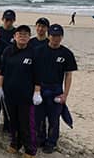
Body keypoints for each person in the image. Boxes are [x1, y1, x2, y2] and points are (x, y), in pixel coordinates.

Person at [33, 24, 77, 154]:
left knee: (54, 119)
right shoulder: (38, 51)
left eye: (58, 36)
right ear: (48, 35)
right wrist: (35, 90)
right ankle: (40, 139)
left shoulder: (66, 53)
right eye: (52, 35)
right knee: (39, 117)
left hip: (56, 89)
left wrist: (65, 94)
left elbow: (68, 75)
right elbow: (33, 71)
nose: (55, 38)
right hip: (40, 88)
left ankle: (51, 143)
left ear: (62, 37)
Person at [0, 25, 37, 156]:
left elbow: (38, 75)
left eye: (26, 34)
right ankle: (15, 143)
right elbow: (2, 71)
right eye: (20, 34)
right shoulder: (8, 51)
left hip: (26, 95)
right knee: (12, 121)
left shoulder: (33, 53)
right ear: (14, 36)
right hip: (9, 93)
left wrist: (37, 92)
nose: (23, 36)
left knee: (26, 124)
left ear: (29, 37)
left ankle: (30, 150)